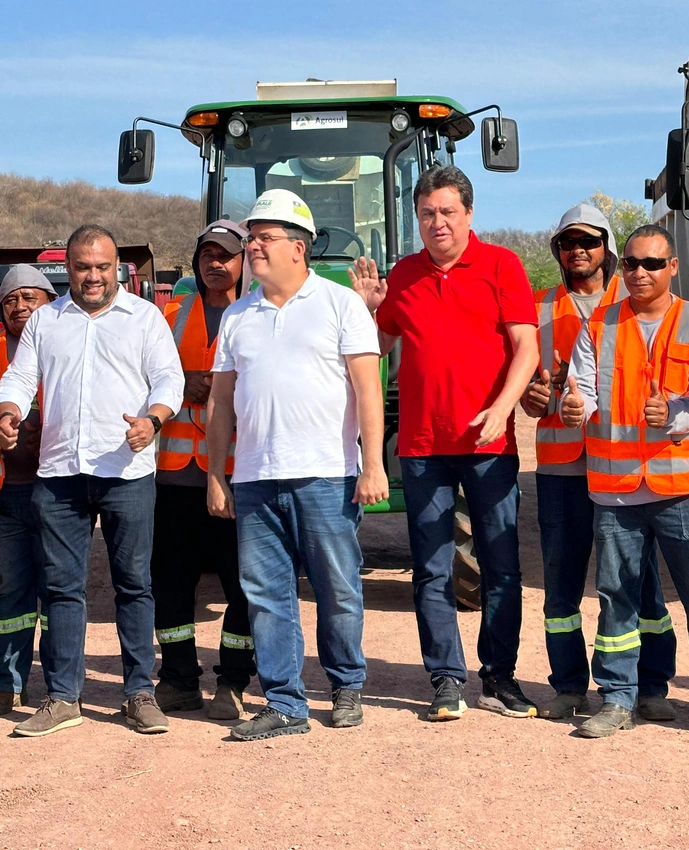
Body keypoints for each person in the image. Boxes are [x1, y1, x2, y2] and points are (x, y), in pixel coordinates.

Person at [350, 166, 540, 721]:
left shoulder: (502, 266)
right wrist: (366, 309)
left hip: (489, 446)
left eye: (448, 212)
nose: (438, 222)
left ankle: (499, 679)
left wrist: (501, 410)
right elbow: (376, 349)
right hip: (423, 444)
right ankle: (446, 679)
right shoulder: (403, 276)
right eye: (428, 213)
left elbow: (525, 349)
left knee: (501, 567)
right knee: (432, 568)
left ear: (469, 215)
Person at [208, 189, 386, 741]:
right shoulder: (238, 316)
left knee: (337, 587)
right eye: (252, 238)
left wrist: (373, 464)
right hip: (257, 476)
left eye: (265, 238)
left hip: (326, 473)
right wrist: (217, 473)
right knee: (266, 592)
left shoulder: (341, 305)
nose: (253, 247)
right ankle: (285, 703)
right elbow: (220, 403)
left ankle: (346, 687)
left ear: (299, 248)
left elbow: (367, 389)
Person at [560, 224, 689, 744]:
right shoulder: (598, 325)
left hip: (682, 489)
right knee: (616, 597)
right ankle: (617, 699)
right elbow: (584, 392)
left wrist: (676, 413)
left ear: (672, 267)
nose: (639, 273)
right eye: (632, 263)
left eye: (651, 263)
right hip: (617, 489)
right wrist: (575, 408)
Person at [0, 225, 184, 738]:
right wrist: (9, 410)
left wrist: (155, 419)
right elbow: (19, 376)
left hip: (126, 472)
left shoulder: (144, 319)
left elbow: (170, 378)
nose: (93, 276)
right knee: (61, 589)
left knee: (134, 586)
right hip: (59, 476)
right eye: (83, 267)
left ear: (117, 267)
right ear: (69, 270)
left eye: (103, 267)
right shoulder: (47, 321)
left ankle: (139, 693)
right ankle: (62, 698)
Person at [520, 203, 677, 722]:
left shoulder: (633, 299)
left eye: (588, 241)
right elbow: (524, 389)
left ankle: (652, 686)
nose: (577, 251)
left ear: (608, 247)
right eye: (567, 243)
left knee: (638, 580)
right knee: (562, 581)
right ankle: (567, 685)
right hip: (563, 463)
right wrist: (534, 399)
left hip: (623, 464)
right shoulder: (540, 308)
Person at [153, 220, 255, 720]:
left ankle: (233, 682)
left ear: (244, 261)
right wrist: (181, 382)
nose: (216, 263)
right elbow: (142, 373)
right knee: (171, 582)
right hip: (174, 475)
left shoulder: (259, 314)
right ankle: (177, 680)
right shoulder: (170, 315)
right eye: (207, 254)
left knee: (243, 585)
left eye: (227, 255)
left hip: (238, 474)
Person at [0, 265, 56, 716]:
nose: (20, 307)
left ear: (49, 302)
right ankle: (7, 683)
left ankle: (62, 685)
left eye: (30, 298)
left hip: (57, 492)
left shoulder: (67, 344)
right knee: (5, 591)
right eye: (10, 300)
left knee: (57, 589)